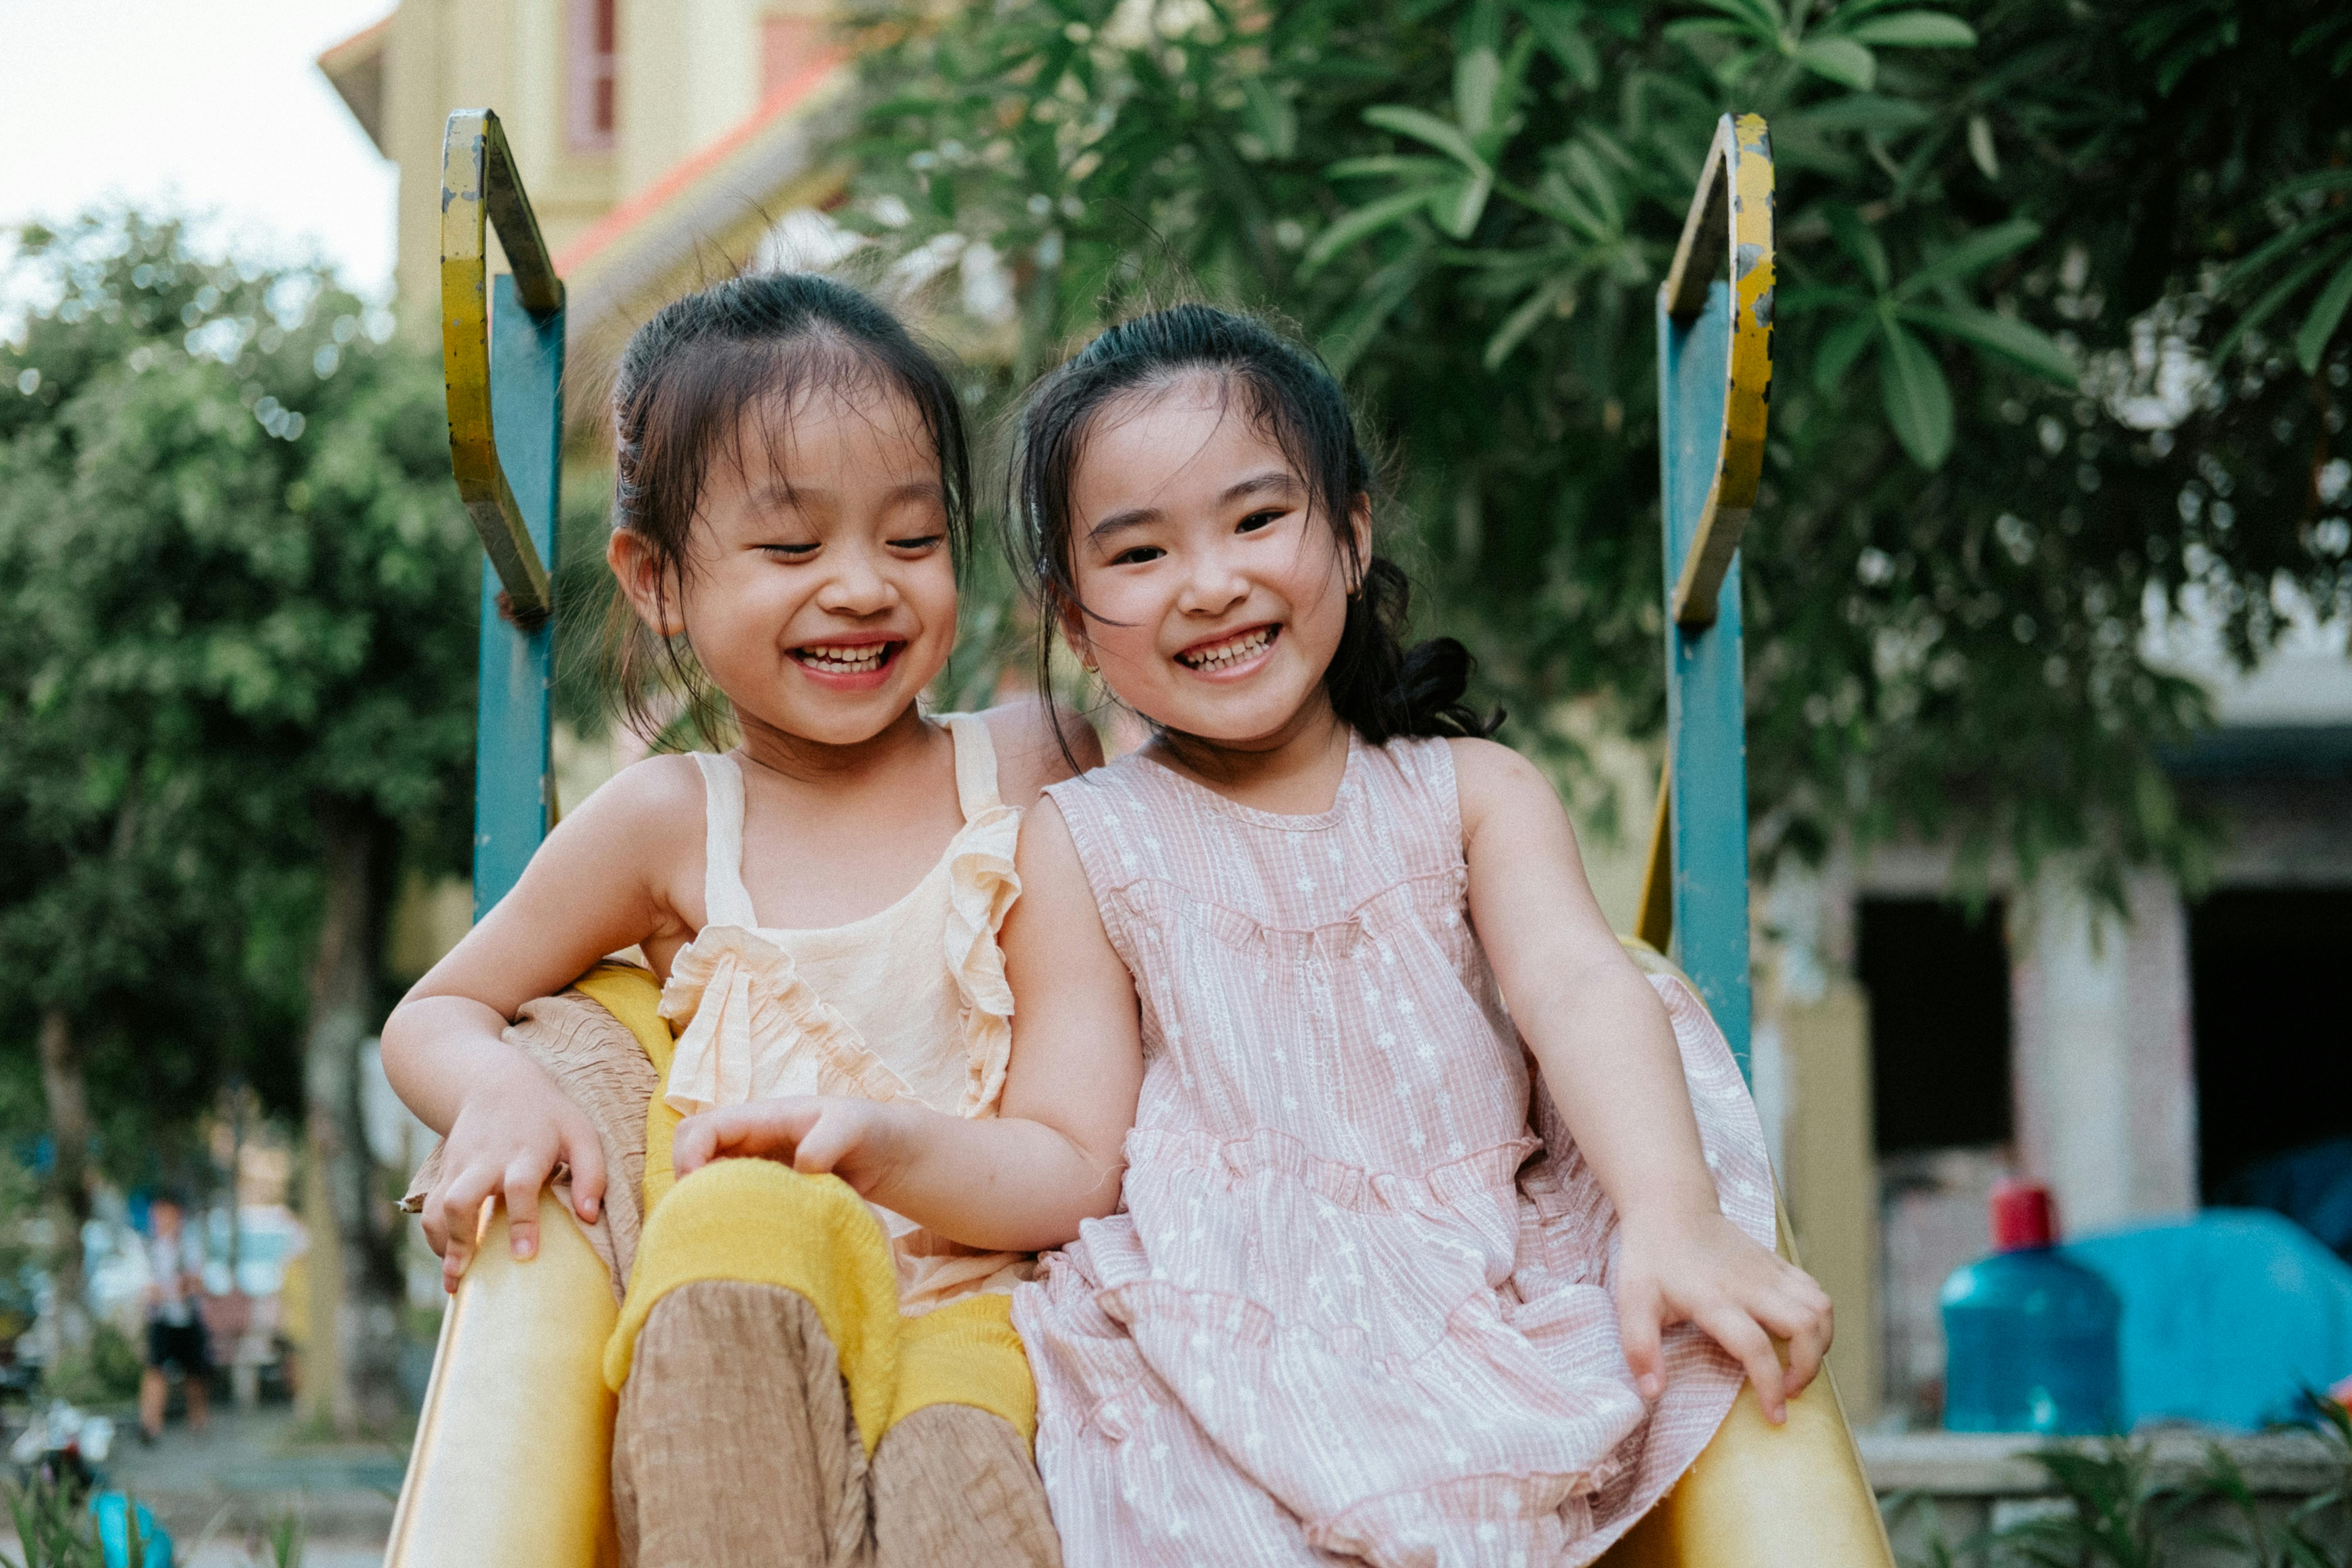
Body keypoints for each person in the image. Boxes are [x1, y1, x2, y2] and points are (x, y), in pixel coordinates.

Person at [677, 304, 1835, 1566]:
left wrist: (1667, 1213)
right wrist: (890, 1146)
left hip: (1470, 1299)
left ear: (1347, 533)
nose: (1209, 581)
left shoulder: (1469, 797)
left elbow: (1574, 983)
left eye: (1254, 519)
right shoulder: (1085, 839)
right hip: (1207, 1344)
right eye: (1137, 554)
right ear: (1073, 620)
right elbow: (1069, 1156)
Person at [380, 272, 1096, 1567]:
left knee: (963, 1488)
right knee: (728, 1228)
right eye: (789, 548)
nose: (862, 587)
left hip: (988, 1309)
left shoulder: (1035, 761)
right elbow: (434, 1008)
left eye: (911, 538)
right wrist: (493, 1086)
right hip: (754, 1308)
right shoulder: (665, 821)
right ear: (655, 580)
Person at [138, 1195, 209, 1443]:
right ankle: (150, 1424)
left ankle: (198, 1423)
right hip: (163, 1319)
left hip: (189, 1319)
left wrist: (183, 1286)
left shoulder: (191, 1247)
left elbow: (198, 1282)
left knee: (195, 1373)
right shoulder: (150, 1249)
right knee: (156, 1370)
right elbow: (147, 1290)